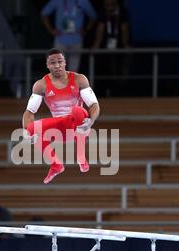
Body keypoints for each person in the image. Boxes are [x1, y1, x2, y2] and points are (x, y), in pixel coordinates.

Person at [22, 48, 100, 184]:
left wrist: (91, 121)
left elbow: (94, 105)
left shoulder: (79, 79)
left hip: (79, 127)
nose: (57, 65)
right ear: (47, 65)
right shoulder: (41, 85)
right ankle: (56, 165)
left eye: (60, 62)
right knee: (31, 128)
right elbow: (29, 112)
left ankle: (81, 157)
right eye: (53, 63)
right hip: (59, 130)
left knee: (77, 110)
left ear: (65, 62)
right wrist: (25, 131)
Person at [41, 0, 97, 72]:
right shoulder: (57, 1)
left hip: (77, 39)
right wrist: (51, 30)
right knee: (57, 70)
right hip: (60, 39)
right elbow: (44, 14)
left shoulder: (83, 1)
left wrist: (86, 29)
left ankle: (70, 83)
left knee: (73, 71)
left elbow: (93, 16)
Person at [91, 0, 131, 96]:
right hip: (105, 48)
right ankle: (104, 93)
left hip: (119, 48)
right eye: (107, 4)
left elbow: (124, 28)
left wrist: (125, 44)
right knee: (104, 71)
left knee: (118, 72)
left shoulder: (123, 13)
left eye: (111, 4)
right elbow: (100, 28)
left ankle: (118, 93)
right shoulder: (102, 14)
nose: (109, 6)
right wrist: (96, 44)